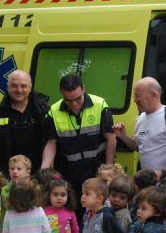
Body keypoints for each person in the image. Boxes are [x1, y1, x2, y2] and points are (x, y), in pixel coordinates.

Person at [41, 74, 116, 207]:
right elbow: (51, 143)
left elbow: (110, 138)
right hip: (68, 174)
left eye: (77, 99)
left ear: (83, 89)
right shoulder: (54, 111)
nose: (74, 104)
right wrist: (44, 169)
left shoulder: (100, 105)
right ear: (62, 94)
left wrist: (108, 169)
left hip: (95, 173)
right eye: (68, 101)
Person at [113, 77, 166, 197]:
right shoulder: (140, 119)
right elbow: (141, 147)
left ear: (154, 94)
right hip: (149, 186)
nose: (135, 100)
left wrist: (162, 173)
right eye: (134, 96)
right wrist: (123, 136)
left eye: (138, 96)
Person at [0, 70, 50, 176]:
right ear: (8, 87)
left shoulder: (43, 112)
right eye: (14, 86)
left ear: (30, 87)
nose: (19, 90)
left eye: (23, 86)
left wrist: (44, 173)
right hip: (5, 176)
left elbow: (51, 143)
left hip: (36, 176)